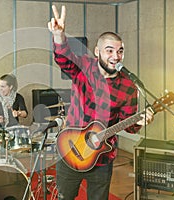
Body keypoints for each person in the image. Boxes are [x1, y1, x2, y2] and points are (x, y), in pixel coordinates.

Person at [48, 5, 154, 200]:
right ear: (97, 51)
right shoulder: (84, 67)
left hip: (102, 158)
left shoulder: (128, 84)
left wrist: (138, 122)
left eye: (120, 51)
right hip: (70, 150)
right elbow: (64, 59)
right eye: (110, 50)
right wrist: (58, 36)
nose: (116, 56)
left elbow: (128, 124)